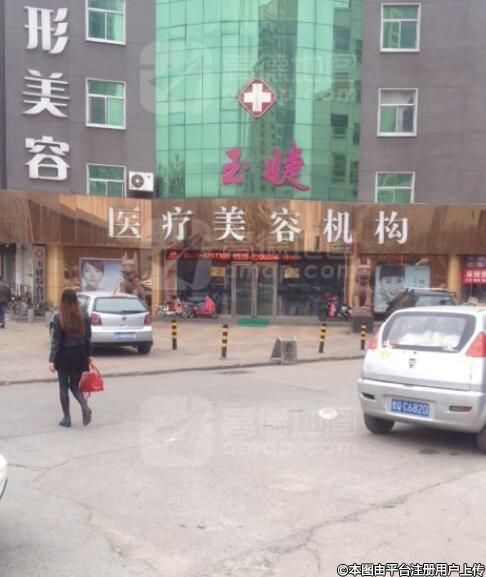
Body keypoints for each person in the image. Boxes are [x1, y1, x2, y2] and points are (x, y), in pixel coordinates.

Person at [48, 289, 93, 428]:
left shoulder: (59, 317)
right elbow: (88, 338)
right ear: (76, 300)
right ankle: (84, 406)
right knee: (74, 385)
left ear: (63, 301)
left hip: (64, 355)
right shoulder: (84, 316)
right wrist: (89, 356)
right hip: (79, 354)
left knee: (63, 386)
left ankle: (67, 418)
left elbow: (56, 341)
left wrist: (52, 360)